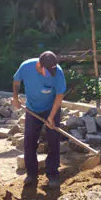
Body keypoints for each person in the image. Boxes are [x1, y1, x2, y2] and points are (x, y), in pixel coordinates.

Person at [12, 51, 67, 188]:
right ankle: (31, 174)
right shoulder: (26, 67)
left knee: (53, 140)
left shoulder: (57, 72)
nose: (48, 76)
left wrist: (51, 116)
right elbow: (16, 81)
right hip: (32, 109)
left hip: (51, 108)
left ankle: (53, 174)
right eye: (46, 72)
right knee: (29, 141)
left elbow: (60, 95)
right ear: (39, 65)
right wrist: (15, 98)